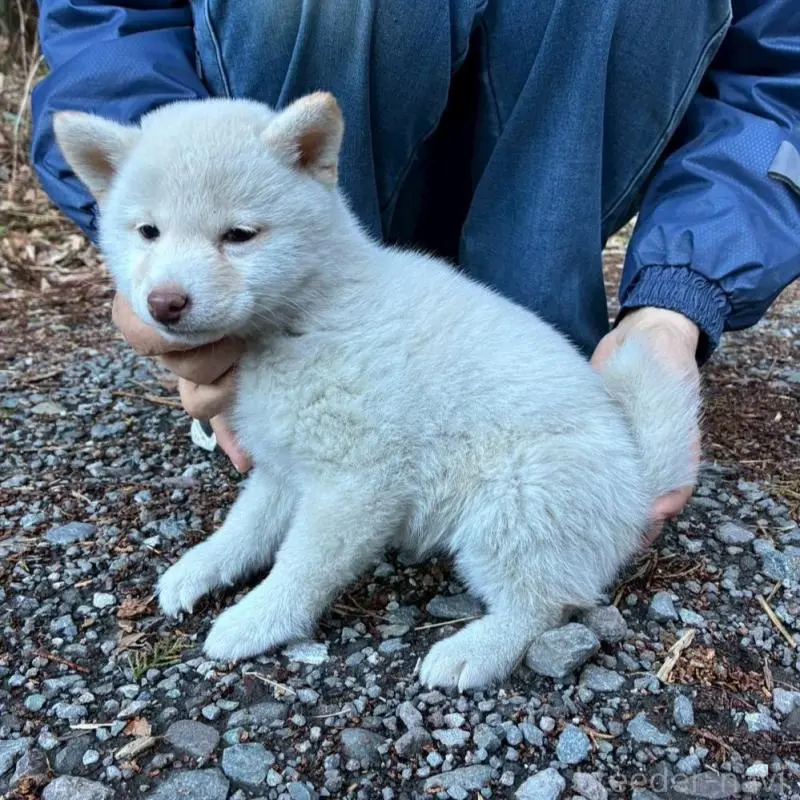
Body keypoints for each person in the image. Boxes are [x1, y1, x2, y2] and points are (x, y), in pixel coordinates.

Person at [29, 0, 800, 544]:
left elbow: (775, 73)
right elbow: (112, 20)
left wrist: (676, 304)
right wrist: (161, 197)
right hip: (313, 268)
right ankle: (265, 364)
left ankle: (535, 395)